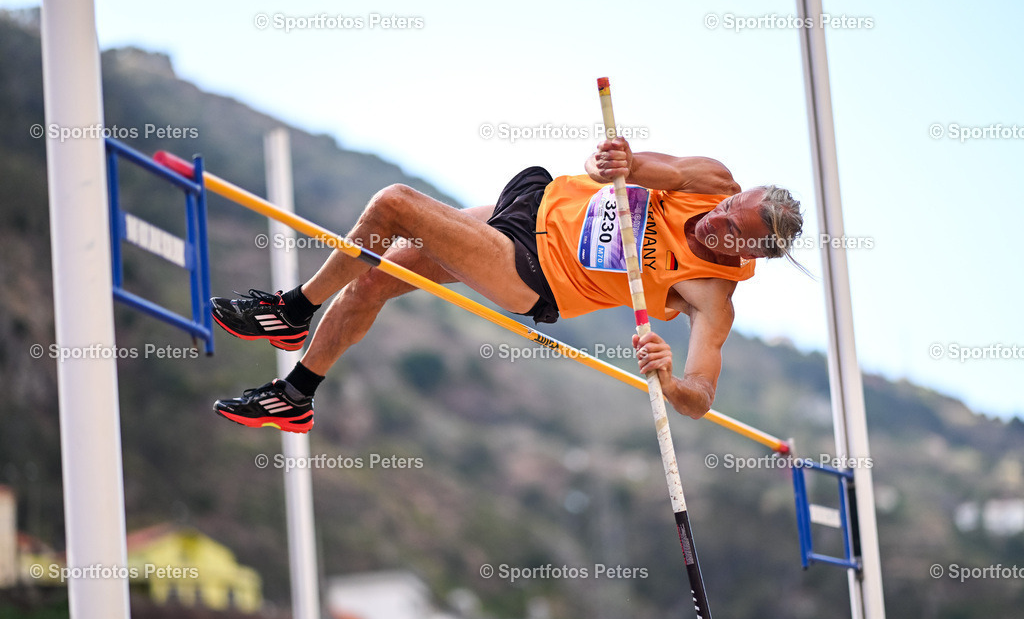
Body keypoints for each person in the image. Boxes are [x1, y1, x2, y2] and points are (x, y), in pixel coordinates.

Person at [211, 137, 802, 433]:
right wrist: (615, 163)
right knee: (371, 281)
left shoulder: (711, 296)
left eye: (732, 232)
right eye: (730, 208)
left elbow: (701, 396)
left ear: (750, 254)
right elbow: (634, 168)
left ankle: (292, 308)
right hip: (529, 206)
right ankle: (295, 396)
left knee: (395, 204)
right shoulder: (715, 182)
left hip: (530, 271)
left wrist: (670, 380)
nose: (717, 220)